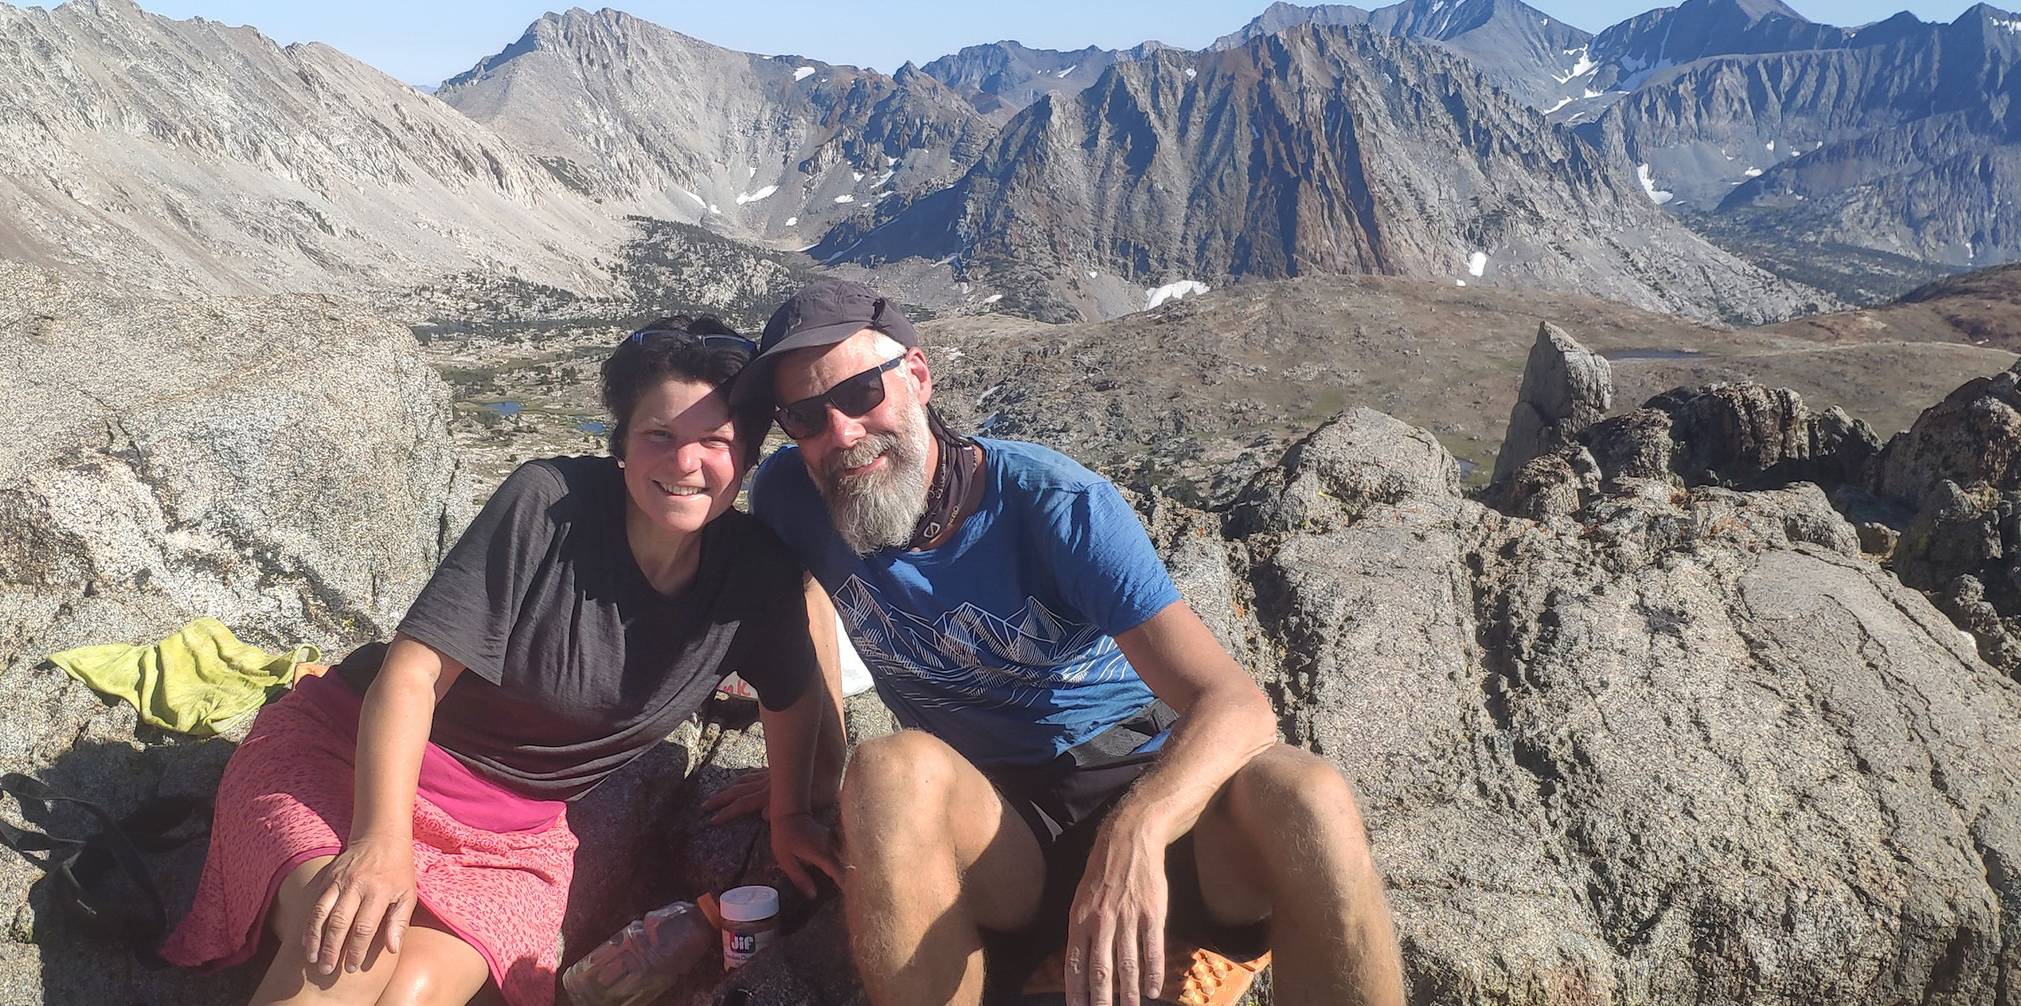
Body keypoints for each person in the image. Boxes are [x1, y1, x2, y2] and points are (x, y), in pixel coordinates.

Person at [735, 281, 1404, 1006]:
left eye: (863, 392)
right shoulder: (793, 496)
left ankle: (1179, 934)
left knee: (1314, 799)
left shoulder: (1057, 505)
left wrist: (1139, 830)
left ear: (919, 377)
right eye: (803, 416)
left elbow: (1235, 704)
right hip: (995, 828)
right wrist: (804, 785)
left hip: (1148, 785)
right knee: (888, 770)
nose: (840, 433)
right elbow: (794, 603)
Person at [162, 317, 844, 1006]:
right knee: (356, 952)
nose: (684, 462)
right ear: (623, 444)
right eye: (658, 435)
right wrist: (379, 842)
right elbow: (412, 673)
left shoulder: (753, 572)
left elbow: (793, 693)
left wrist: (789, 812)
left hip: (508, 835)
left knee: (414, 992)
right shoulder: (549, 505)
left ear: (748, 456)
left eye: (715, 442)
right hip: (352, 765)